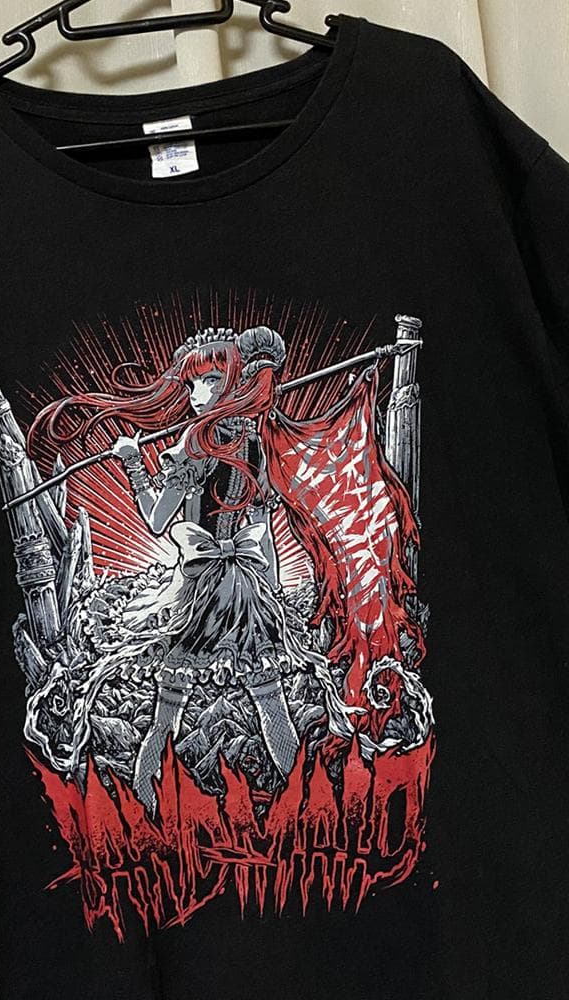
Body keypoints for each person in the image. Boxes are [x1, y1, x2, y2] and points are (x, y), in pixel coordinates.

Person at [25, 326, 359, 818]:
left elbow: (158, 519)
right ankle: (311, 807)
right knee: (270, 706)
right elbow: (263, 533)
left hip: (202, 592)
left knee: (167, 712)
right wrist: (269, 595)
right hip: (245, 592)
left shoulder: (194, 442)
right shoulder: (258, 443)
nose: (196, 394)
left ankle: (144, 808)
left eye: (207, 381)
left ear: (233, 380)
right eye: (192, 384)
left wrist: (133, 463)